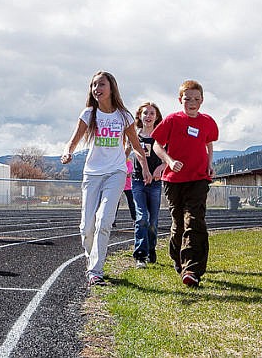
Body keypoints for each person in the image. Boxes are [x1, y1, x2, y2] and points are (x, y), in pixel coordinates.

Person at [61, 71, 152, 287]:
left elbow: (137, 147)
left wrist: (146, 169)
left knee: (104, 221)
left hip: (116, 172)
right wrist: (68, 152)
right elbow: (72, 140)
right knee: (86, 227)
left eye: (101, 84)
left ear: (111, 87)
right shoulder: (89, 114)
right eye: (93, 85)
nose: (96, 88)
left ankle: (96, 270)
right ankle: (91, 258)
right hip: (92, 173)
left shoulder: (124, 116)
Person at [152, 80, 218, 288]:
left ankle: (193, 269)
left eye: (196, 99)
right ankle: (177, 257)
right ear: (180, 99)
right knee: (178, 224)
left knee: (195, 220)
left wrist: (209, 164)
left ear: (202, 100)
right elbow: (157, 145)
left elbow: (209, 144)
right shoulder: (172, 120)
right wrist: (169, 161)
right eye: (188, 98)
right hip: (174, 180)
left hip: (198, 178)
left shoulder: (207, 121)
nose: (192, 102)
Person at [131, 102, 167, 268]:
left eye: (152, 113)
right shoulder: (134, 135)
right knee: (141, 218)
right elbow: (124, 152)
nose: (148, 116)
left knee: (152, 221)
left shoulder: (161, 136)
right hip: (138, 181)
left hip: (155, 183)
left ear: (157, 116)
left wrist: (161, 167)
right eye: (145, 113)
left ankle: (151, 248)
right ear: (140, 116)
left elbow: (169, 157)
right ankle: (140, 255)